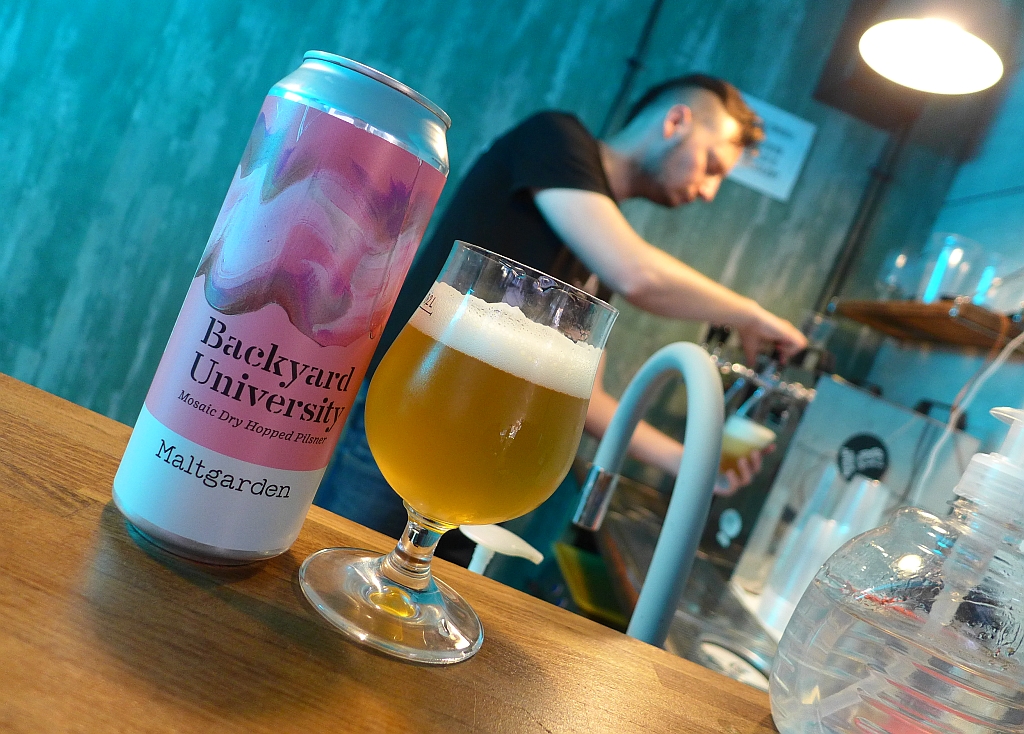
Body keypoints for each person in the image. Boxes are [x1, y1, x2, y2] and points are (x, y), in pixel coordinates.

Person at [314, 73, 806, 547]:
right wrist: (751, 315)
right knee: (352, 561)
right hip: (422, 422)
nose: (708, 191)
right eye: (712, 166)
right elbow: (638, 274)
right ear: (675, 122)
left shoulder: (598, 254)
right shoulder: (555, 137)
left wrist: (694, 463)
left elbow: (590, 399)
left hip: (491, 462)